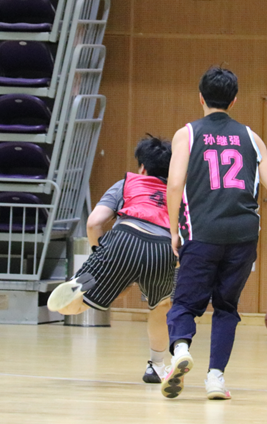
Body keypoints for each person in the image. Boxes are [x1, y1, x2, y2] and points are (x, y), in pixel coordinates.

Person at [162, 67, 267, 400]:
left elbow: (175, 184)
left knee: (184, 303)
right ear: (234, 100)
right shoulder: (251, 137)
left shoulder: (187, 134)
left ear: (200, 97)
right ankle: (215, 379)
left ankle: (181, 351)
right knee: (226, 307)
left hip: (202, 231)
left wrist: (173, 229)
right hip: (243, 236)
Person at [47, 135, 177, 383]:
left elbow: (94, 223)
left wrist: (100, 255)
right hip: (162, 247)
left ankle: (80, 286)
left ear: (142, 168)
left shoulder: (127, 184)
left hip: (124, 238)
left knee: (78, 304)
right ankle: (157, 366)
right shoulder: (179, 192)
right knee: (160, 307)